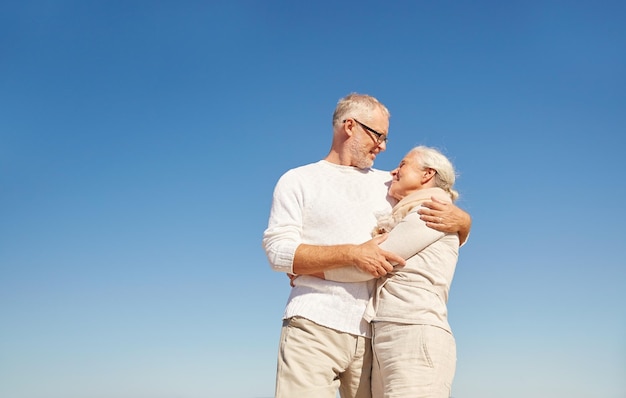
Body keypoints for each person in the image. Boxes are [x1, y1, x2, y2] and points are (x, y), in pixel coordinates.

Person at [262, 93, 471, 398]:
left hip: (372, 337)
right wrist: (350, 253)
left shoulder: (390, 184)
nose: (384, 146)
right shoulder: (298, 180)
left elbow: (433, 212)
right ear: (349, 126)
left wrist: (464, 221)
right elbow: (277, 251)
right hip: (313, 325)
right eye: (378, 135)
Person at [323, 146, 462, 398]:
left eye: (403, 164)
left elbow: (371, 263)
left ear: (427, 174)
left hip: (414, 330)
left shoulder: (433, 210)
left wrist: (310, 270)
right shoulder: (408, 213)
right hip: (391, 332)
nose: (394, 170)